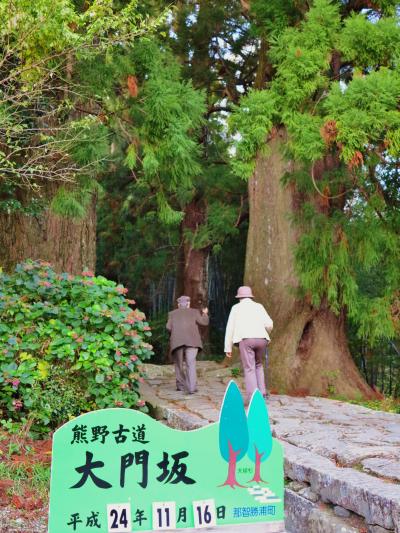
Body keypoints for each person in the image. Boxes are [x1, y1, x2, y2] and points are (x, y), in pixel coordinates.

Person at [224, 286, 273, 402]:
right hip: (262, 339)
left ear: (239, 297)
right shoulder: (258, 306)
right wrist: (266, 333)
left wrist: (228, 347)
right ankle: (262, 393)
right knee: (258, 365)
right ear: (250, 296)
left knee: (249, 368)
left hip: (246, 340)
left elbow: (230, 328)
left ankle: (253, 398)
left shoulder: (236, 308)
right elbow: (269, 324)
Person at [166, 295, 209, 394]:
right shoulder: (194, 312)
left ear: (178, 304)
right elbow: (204, 322)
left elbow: (168, 327)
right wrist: (205, 314)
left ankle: (181, 386)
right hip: (192, 341)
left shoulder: (172, 313)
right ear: (188, 303)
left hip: (177, 341)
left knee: (179, 364)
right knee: (191, 363)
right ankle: (191, 388)